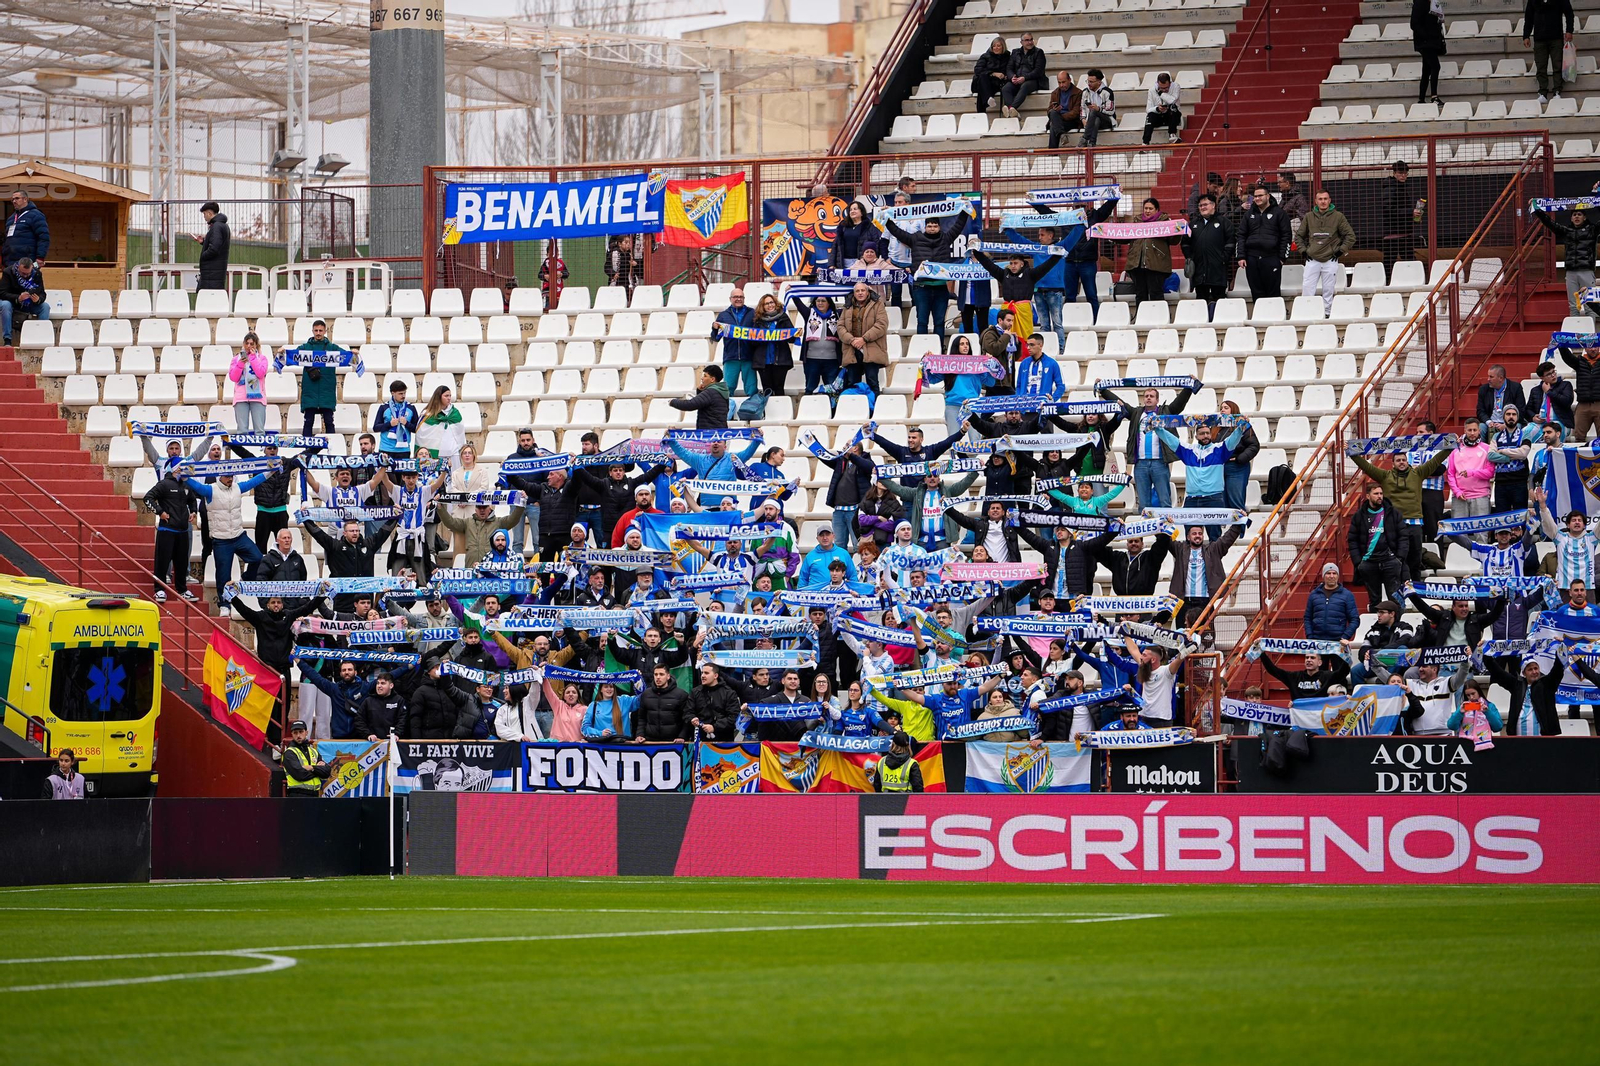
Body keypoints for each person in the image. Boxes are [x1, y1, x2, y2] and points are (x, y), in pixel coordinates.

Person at [1100, 382, 1192, 510]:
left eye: (1152, 396)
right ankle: (1146, 528)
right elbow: (1120, 403)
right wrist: (1103, 390)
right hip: (1140, 464)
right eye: (1146, 396)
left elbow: (1179, 402)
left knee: (1164, 500)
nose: (1148, 398)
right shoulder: (1136, 413)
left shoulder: (1165, 412)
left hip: (1160, 463)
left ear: (1157, 400)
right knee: (1143, 504)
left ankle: (1165, 529)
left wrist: (1189, 387)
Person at [882, 207, 968, 343]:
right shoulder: (915, 239)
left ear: (939, 227)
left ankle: (938, 349)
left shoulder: (946, 238)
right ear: (925, 227)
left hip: (940, 288)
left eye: (935, 226)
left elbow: (958, 225)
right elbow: (897, 232)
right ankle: (922, 348)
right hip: (921, 288)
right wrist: (886, 217)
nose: (932, 228)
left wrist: (964, 210)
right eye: (929, 226)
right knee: (922, 321)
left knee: (939, 322)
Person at [142, 462, 201, 603]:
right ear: (176, 469)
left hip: (182, 531)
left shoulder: (186, 485)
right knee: (162, 562)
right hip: (167, 530)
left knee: (181, 563)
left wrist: (193, 511)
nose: (185, 471)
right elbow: (147, 498)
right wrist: (160, 512)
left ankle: (182, 590)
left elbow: (192, 500)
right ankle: (159, 590)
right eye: (182, 468)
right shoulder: (164, 484)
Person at [1167, 522, 1244, 627]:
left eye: (1200, 533)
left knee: (1206, 635)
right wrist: (1153, 521)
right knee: (1182, 635)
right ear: (1188, 537)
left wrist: (1238, 523)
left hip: (1205, 601)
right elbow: (1165, 539)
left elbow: (1227, 539)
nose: (1197, 535)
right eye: (1194, 534)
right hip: (1184, 601)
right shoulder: (1180, 550)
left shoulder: (1212, 550)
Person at [1533, 202, 1598, 316]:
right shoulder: (1566, 231)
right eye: (1574, 215)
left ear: (1585, 217)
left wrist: (1596, 199)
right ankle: (1574, 332)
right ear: (1571, 218)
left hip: (1586, 271)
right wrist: (1537, 210)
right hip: (1570, 272)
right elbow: (1550, 223)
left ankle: (1591, 332)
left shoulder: (1592, 230)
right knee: (1573, 306)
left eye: (1579, 214)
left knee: (1590, 306)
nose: (1576, 216)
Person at [1348, 482, 1406, 609]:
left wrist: (1399, 558)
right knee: (1375, 602)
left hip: (1390, 561)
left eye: (1381, 493)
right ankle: (1377, 628)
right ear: (1368, 496)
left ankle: (1396, 627)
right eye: (1376, 494)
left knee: (1395, 600)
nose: (1379, 496)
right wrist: (1359, 563)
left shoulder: (1392, 513)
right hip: (1369, 563)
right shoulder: (1359, 516)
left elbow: (1403, 536)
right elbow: (1352, 540)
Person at [1299, 190, 1356, 316]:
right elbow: (1299, 236)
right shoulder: (1309, 216)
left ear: (1330, 200)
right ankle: (1306, 312)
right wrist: (1303, 251)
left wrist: (1340, 251)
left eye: (1325, 199)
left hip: (1331, 259)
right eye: (1320, 199)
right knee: (1307, 287)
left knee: (1328, 289)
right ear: (1316, 201)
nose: (1323, 201)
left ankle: (1327, 313)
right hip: (1312, 259)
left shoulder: (1338, 216)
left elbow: (1350, 236)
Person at [1236, 185, 1290, 299]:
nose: (1257, 198)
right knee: (1256, 293)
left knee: (1273, 293)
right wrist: (1241, 256)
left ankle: (1275, 316)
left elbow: (1286, 236)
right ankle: (1259, 316)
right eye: (1255, 196)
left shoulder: (1279, 213)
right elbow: (1241, 235)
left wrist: (1281, 258)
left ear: (1268, 196)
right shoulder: (1248, 215)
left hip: (1271, 258)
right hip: (1252, 259)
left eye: (1260, 195)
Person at [1184, 194, 1233, 317]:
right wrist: (1190, 258)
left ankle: (1221, 322)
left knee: (1220, 300)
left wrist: (1223, 258)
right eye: (1200, 205)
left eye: (1205, 204)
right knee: (1201, 301)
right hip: (1199, 271)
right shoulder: (1193, 224)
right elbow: (1185, 243)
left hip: (1218, 269)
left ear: (1213, 205)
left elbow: (1231, 242)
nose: (1202, 207)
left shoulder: (1224, 222)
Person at [836, 281, 890, 393]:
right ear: (854, 293)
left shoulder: (877, 304)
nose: (860, 293)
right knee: (852, 383)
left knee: (872, 382)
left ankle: (875, 409)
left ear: (867, 292)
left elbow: (882, 325)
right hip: (852, 350)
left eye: (862, 290)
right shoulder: (847, 306)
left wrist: (864, 339)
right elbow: (840, 326)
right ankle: (855, 409)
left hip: (872, 349)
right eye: (857, 291)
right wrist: (851, 340)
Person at [1124, 198, 1179, 304]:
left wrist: (1176, 231)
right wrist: (1108, 233)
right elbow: (1124, 237)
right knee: (1140, 294)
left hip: (1156, 264)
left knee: (1156, 293)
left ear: (1157, 210)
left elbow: (1173, 241)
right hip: (1137, 265)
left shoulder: (1165, 222)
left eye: (1150, 208)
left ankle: (1158, 319)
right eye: (1145, 208)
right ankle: (1141, 318)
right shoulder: (1136, 221)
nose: (1147, 211)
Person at [1522, 0, 1576, 103]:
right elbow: (1528, 17)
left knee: (1558, 65)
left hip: (1556, 38)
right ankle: (1543, 93)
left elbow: (1569, 13)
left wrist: (1569, 30)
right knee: (1541, 67)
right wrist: (1526, 35)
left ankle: (1557, 91)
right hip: (1539, 39)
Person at [711, 288, 760, 399]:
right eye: (735, 297)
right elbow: (715, 338)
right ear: (730, 299)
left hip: (748, 356)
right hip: (731, 357)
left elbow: (759, 333)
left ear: (744, 298)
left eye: (741, 297)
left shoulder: (753, 313)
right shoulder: (723, 315)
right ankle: (727, 413)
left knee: (752, 388)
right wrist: (714, 328)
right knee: (728, 389)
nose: (738, 299)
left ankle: (753, 411)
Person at [282, 720, 349, 797]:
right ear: (292, 734)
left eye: (301, 732)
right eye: (295, 733)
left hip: (315, 795)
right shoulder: (289, 753)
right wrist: (318, 770)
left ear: (306, 733)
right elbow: (299, 774)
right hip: (297, 795)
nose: (298, 735)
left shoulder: (313, 751)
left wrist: (311, 768)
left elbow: (326, 772)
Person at [748, 293, 794, 397]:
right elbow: (752, 342)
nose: (770, 305)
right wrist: (763, 337)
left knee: (779, 388)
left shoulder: (783, 317)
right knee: (767, 389)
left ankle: (782, 413)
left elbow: (792, 337)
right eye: (766, 304)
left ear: (776, 303)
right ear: (762, 306)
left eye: (771, 302)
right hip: (763, 362)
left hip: (780, 360)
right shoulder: (758, 320)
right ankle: (768, 412)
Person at [1304, 562, 1360, 645]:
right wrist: (1310, 636)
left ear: (1338, 576)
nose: (1331, 576)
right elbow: (1307, 618)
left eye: (1334, 573)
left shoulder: (1347, 595)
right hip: (1317, 642)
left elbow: (1355, 619)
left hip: (1339, 643)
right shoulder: (1314, 595)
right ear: (1323, 575)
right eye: (1328, 573)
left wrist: (1345, 636)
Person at [796, 294, 842, 394]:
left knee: (832, 390)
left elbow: (850, 304)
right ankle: (808, 409)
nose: (820, 303)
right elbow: (798, 304)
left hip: (832, 360)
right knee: (810, 388)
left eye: (823, 301)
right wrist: (791, 291)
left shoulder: (838, 314)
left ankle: (832, 409)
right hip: (811, 360)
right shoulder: (808, 313)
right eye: (818, 301)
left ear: (829, 303)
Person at [0, 255, 48, 346]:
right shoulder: (8, 272)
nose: (25, 275)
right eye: (23, 273)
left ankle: (42, 337)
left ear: (32, 268)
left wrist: (38, 300)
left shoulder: (37, 274)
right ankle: (7, 339)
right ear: (18, 267)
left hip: (30, 303)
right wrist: (18, 298)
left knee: (45, 307)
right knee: (5, 305)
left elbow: (42, 293)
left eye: (28, 273)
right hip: (12, 302)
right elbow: (2, 293)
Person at [1381, 161, 1419, 273]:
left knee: (1394, 262)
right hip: (1394, 233)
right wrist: (1410, 212)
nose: (1403, 175)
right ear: (1394, 173)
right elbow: (1388, 209)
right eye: (1400, 173)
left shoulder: (1399, 187)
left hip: (1402, 232)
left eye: (1405, 173)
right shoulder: (1391, 188)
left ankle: (1388, 284)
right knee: (1392, 262)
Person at [227, 332, 269, 433]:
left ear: (256, 345)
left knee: (259, 431)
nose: (249, 346)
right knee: (242, 431)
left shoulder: (262, 359)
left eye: (252, 344)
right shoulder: (236, 359)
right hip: (241, 397)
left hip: (257, 396)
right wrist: (241, 363)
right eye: (247, 343)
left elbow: (260, 374)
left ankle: (259, 448)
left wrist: (253, 358)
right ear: (243, 344)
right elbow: (233, 377)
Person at [417, 385, 466, 468]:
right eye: (446, 396)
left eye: (450, 396)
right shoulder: (428, 414)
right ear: (438, 397)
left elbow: (460, 432)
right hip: (436, 454)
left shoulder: (454, 413)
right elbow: (422, 434)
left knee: (454, 479)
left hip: (453, 453)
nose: (449, 398)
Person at [1001, 32, 1048, 117]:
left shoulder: (1039, 52)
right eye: (1027, 40)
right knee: (1005, 88)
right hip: (1017, 80)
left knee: (1025, 86)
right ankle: (1014, 113)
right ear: (1021, 42)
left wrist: (1024, 78)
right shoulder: (1015, 52)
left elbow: (1038, 71)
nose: (1030, 42)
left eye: (1031, 40)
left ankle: (1012, 108)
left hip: (1034, 80)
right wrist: (1012, 77)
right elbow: (1009, 68)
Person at [670, 364, 731, 428]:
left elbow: (690, 405)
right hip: (719, 432)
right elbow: (706, 406)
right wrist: (700, 392)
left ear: (712, 379)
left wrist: (672, 402)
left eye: (705, 376)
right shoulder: (722, 391)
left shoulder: (710, 392)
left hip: (708, 433)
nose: (702, 378)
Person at [1410, 0, 1446, 105]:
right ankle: (1434, 96)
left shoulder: (1434, 3)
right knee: (1435, 66)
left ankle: (1421, 99)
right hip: (1425, 42)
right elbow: (1414, 23)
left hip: (1432, 41)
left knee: (1426, 70)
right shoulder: (1420, 3)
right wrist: (1426, 37)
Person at [2, 188, 49, 267]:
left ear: (25, 199)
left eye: (17, 198)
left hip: (27, 261)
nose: (14, 201)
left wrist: (40, 257)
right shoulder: (11, 218)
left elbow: (43, 237)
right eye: (12, 199)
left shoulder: (36, 215)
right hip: (10, 261)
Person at [1475, 365, 1529, 429]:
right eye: (1488, 376)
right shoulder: (1483, 389)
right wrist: (1489, 422)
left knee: (1517, 426)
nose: (1488, 379)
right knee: (1481, 427)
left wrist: (1506, 424)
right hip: (1490, 423)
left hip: (1510, 422)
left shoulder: (1515, 388)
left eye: (1491, 377)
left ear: (1500, 378)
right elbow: (1480, 411)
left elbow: (1521, 410)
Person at [1526, 360, 1575, 429]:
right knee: (1526, 432)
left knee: (1552, 433)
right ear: (1542, 378)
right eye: (1549, 374)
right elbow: (1528, 409)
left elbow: (1567, 401)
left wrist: (1549, 392)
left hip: (1560, 422)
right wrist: (1533, 417)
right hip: (1541, 423)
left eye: (1553, 372)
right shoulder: (1535, 390)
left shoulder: (1565, 385)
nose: (1553, 375)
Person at [195, 201, 230, 290]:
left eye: (204, 214)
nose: (204, 217)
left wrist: (203, 256)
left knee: (207, 300)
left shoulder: (216, 227)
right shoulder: (223, 226)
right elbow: (218, 244)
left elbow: (214, 249)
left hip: (211, 274)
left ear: (209, 213)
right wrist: (204, 242)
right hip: (216, 273)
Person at [972, 35, 1010, 113]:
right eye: (994, 46)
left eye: (998, 46)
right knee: (982, 77)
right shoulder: (985, 56)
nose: (995, 48)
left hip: (999, 82)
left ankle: (981, 113)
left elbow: (1011, 69)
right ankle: (988, 98)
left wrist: (1006, 75)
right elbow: (977, 70)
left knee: (981, 91)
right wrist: (993, 73)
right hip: (984, 81)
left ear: (1003, 47)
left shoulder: (1008, 57)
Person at [1078, 68, 1115, 147]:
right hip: (1092, 121)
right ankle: (1091, 144)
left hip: (1106, 120)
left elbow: (1111, 110)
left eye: (1091, 82)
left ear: (1099, 82)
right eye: (1088, 81)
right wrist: (1083, 120)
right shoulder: (1085, 92)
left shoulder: (1107, 92)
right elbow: (1082, 108)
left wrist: (1099, 109)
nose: (1089, 84)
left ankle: (1085, 138)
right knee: (1096, 119)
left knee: (1094, 112)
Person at [1141, 72, 1181, 145]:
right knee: (1150, 116)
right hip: (1159, 116)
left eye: (1166, 87)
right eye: (1162, 88)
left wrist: (1161, 93)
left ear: (1170, 83)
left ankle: (1172, 135)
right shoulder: (1152, 90)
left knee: (1173, 107)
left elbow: (1172, 100)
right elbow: (1148, 109)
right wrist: (1157, 109)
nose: (1164, 90)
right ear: (1157, 84)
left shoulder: (1176, 86)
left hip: (1172, 116)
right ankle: (1145, 143)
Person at [1046, 70, 1083, 149]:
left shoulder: (1078, 93)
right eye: (1059, 83)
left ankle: (1052, 155)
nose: (1061, 85)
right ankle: (1062, 134)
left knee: (1054, 124)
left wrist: (1058, 117)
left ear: (1069, 80)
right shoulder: (1055, 93)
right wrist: (1055, 110)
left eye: (1063, 82)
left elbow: (1076, 112)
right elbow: (1049, 111)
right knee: (1053, 113)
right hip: (1059, 120)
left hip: (1072, 121)